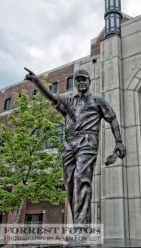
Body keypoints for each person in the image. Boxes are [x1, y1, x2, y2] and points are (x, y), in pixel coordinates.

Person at [25, 68, 126, 224]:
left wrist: (118, 142)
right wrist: (37, 81)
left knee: (81, 178)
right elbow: (52, 97)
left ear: (89, 82)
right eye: (78, 80)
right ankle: (81, 226)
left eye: (84, 79)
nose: (81, 82)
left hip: (88, 141)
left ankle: (81, 229)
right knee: (70, 185)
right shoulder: (69, 101)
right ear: (76, 83)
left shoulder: (97, 101)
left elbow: (112, 119)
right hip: (69, 144)